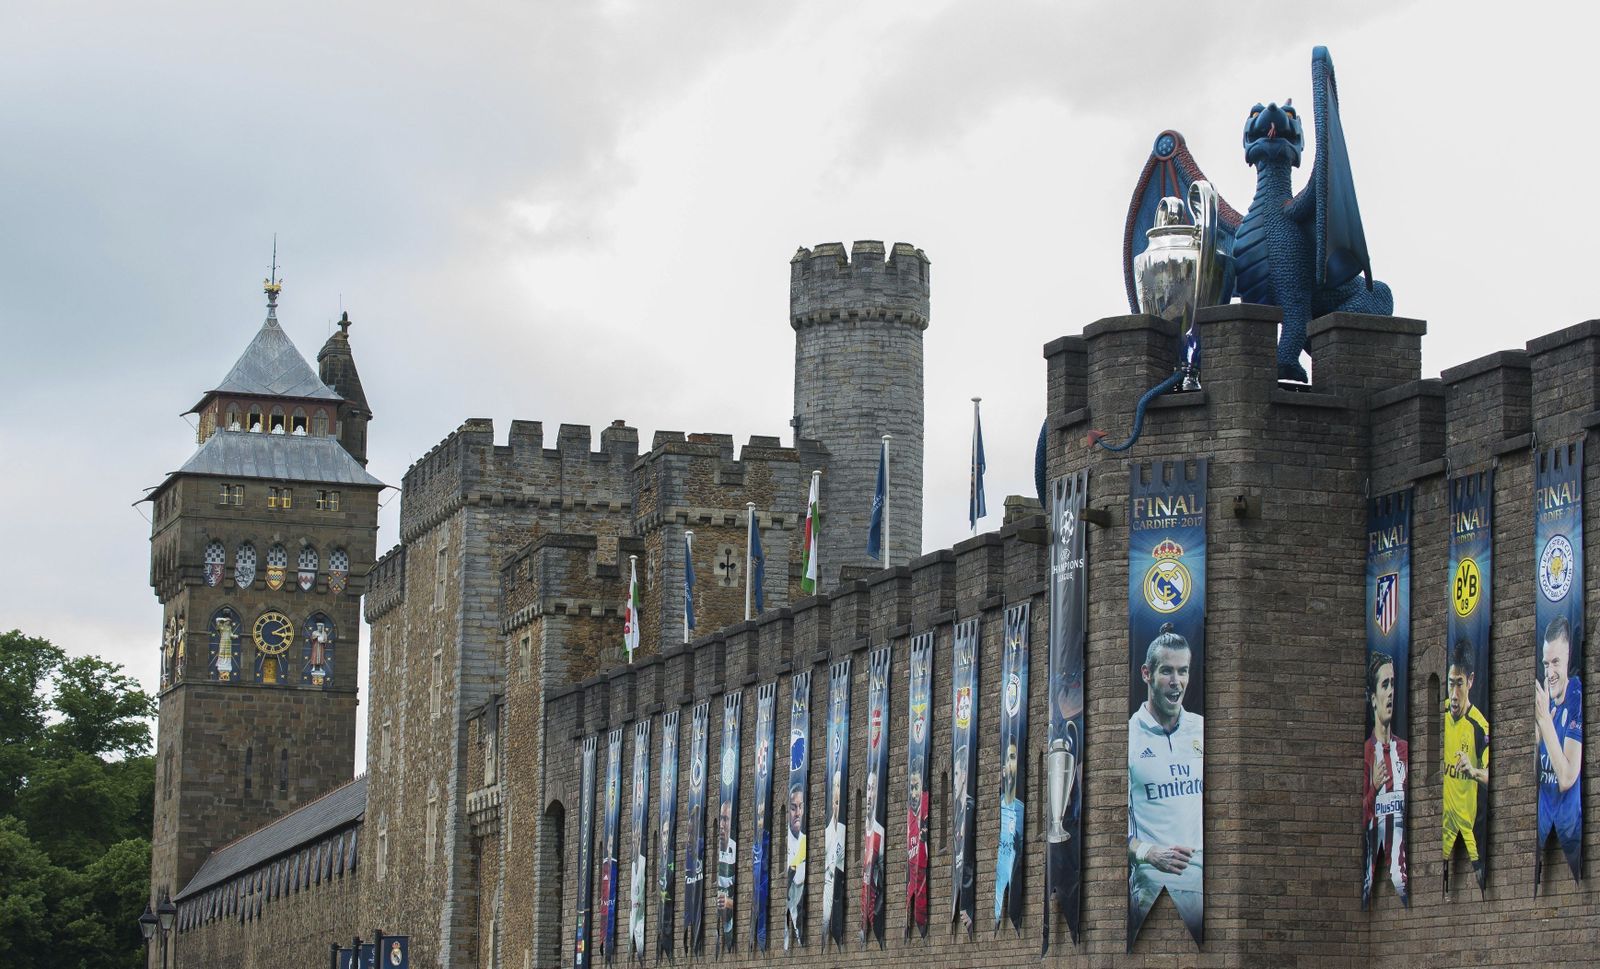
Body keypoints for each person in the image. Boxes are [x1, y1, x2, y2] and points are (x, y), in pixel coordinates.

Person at [1127, 623, 1203, 936]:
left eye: (1183, 671)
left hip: (1203, 894)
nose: (1176, 683)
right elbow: (1099, 830)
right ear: (1147, 674)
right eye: (1167, 672)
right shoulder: (1128, 737)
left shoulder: (1202, 730)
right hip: (1148, 892)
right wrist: (1148, 853)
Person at [1535, 616, 1582, 869]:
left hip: (1572, 835)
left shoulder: (1575, 695)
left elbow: (1566, 778)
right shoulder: (1546, 700)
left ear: (1568, 658)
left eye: (1556, 663)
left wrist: (1544, 723)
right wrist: (1536, 740)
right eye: (1546, 664)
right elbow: (1537, 773)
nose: (1550, 673)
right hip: (1543, 831)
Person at [1442, 637, 1489, 884]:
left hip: (1472, 836)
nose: (1454, 694)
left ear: (1470, 681)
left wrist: (1473, 771)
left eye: (1459, 684)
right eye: (1451, 684)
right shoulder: (1443, 711)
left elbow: (1491, 775)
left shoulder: (1480, 726)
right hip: (1444, 831)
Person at [1363, 651, 1408, 904]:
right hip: (1375, 875)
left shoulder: (1404, 750)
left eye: (1393, 684)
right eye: (1384, 685)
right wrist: (1374, 787)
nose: (1390, 691)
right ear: (1373, 698)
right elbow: (1360, 814)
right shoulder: (1368, 754)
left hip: (1403, 876)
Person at [995, 740, 1023, 926]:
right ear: (1003, 769)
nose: (1012, 763)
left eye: (1015, 758)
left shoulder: (1021, 808)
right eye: (1009, 758)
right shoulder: (997, 808)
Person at [859, 769, 885, 940]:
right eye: (867, 788)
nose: (869, 794)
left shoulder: (879, 834)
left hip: (874, 913)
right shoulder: (865, 834)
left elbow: (879, 880)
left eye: (873, 788)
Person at [904, 759, 929, 935]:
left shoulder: (926, 809)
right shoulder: (909, 816)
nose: (914, 793)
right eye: (911, 788)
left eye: (916, 787)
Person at [952, 744, 974, 930]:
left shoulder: (969, 810)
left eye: (957, 774)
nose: (954, 781)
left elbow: (968, 863)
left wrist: (968, 905)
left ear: (965, 775)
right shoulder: (958, 812)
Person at [822, 769, 845, 942]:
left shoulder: (843, 832)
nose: (837, 789)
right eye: (835, 786)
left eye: (839, 786)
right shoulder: (828, 836)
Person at [784, 784, 807, 948]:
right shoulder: (787, 842)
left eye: (800, 807)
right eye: (793, 808)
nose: (797, 813)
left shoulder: (805, 840)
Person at [716, 800, 737, 942]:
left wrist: (728, 902)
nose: (722, 825)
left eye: (726, 819)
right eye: (721, 819)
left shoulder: (735, 851)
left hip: (731, 924)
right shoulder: (714, 851)